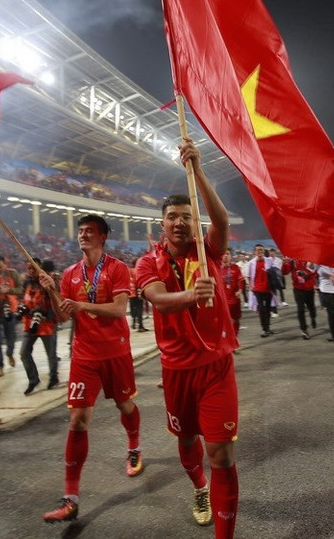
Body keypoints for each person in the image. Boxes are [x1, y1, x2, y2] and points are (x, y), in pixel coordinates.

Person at [135, 139, 240, 538]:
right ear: (161, 225)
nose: (179, 222)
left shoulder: (208, 250)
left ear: (195, 223)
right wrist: (192, 295)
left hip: (216, 367)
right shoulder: (147, 262)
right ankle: (199, 488)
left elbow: (222, 220)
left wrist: (196, 169)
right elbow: (158, 300)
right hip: (177, 369)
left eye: (186, 216)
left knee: (221, 453)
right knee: (186, 438)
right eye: (172, 217)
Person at [42, 215, 144, 524]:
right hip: (84, 357)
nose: (83, 235)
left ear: (102, 237)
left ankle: (134, 446)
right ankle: (70, 499)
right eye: (81, 231)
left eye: (90, 231)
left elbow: (119, 309)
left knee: (125, 405)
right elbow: (63, 316)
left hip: (115, 353)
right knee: (78, 421)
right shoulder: (70, 273)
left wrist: (82, 305)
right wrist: (51, 291)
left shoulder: (117, 268)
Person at [19, 258, 60, 395]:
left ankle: (53, 377)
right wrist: (23, 308)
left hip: (47, 323)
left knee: (51, 354)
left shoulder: (48, 281)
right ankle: (33, 379)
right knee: (24, 352)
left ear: (40, 268)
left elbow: (57, 300)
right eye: (28, 268)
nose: (31, 271)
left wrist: (47, 314)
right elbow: (22, 298)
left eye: (33, 268)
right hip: (30, 323)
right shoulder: (27, 283)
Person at [283, 258, 318, 338]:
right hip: (298, 289)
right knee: (300, 309)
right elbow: (285, 272)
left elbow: (315, 273)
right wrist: (284, 263)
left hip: (309, 289)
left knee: (311, 308)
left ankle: (313, 317)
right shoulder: (293, 261)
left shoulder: (310, 259)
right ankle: (304, 329)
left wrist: (305, 274)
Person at [245, 244, 275, 337]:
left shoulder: (269, 260)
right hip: (257, 289)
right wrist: (249, 285)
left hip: (268, 289)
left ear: (263, 251)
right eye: (257, 250)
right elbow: (247, 276)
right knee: (261, 309)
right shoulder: (251, 263)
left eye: (261, 250)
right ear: (254, 252)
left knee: (268, 309)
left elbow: (274, 272)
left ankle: (268, 328)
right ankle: (264, 329)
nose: (259, 251)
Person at [220, 251, 244, 338]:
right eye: (223, 254)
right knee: (223, 321)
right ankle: (227, 340)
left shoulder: (235, 268)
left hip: (234, 300)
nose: (225, 256)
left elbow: (241, 280)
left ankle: (234, 338)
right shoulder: (216, 268)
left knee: (235, 319)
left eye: (227, 254)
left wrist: (240, 291)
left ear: (231, 256)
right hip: (222, 300)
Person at [128, 261, 149, 332]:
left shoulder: (129, 270)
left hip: (131, 292)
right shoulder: (137, 270)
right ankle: (140, 326)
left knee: (133, 308)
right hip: (137, 290)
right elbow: (139, 280)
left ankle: (133, 321)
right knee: (140, 308)